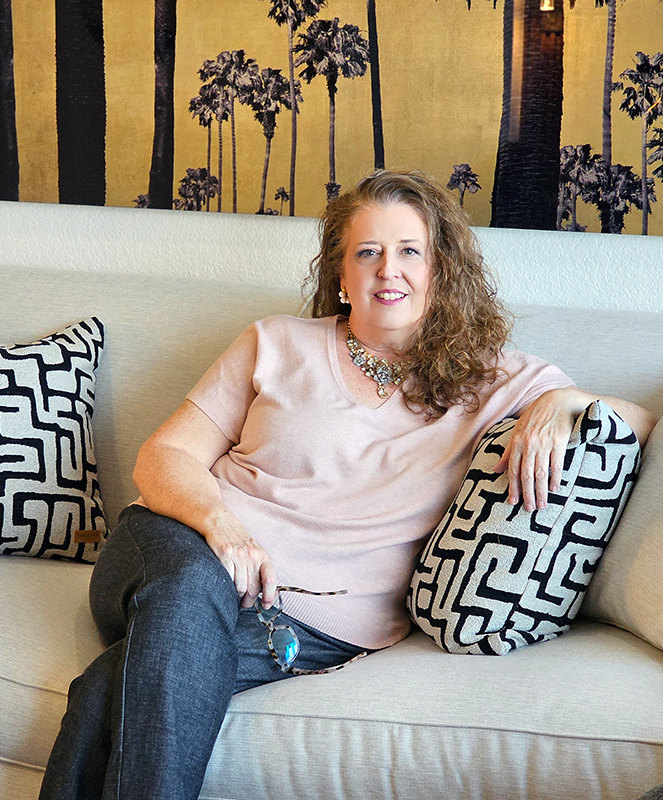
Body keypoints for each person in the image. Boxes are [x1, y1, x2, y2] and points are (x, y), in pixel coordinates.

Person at [39, 170, 656, 800]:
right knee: (190, 592)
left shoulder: (495, 379)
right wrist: (221, 528)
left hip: (314, 627)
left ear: (440, 272)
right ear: (341, 276)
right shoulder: (275, 343)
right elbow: (163, 455)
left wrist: (561, 402)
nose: (389, 269)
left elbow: (638, 423)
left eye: (409, 252)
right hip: (175, 547)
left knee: (107, 689)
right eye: (368, 252)